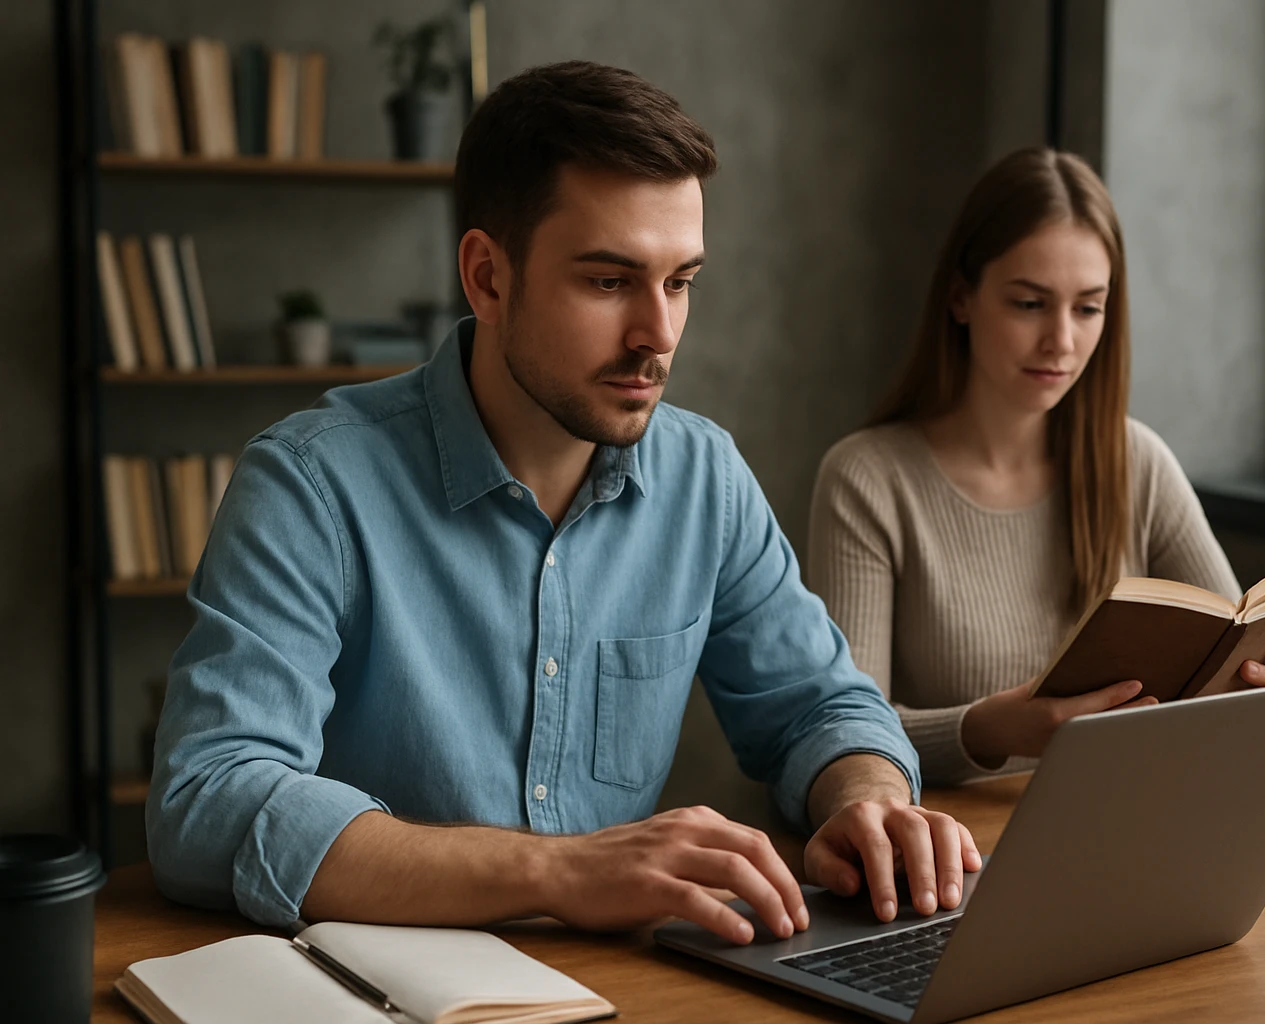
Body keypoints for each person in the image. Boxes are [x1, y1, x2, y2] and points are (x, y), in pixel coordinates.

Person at [148, 60, 981, 946]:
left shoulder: (705, 477)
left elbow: (819, 706)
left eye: (681, 282)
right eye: (609, 281)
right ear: (488, 278)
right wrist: (555, 871)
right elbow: (208, 799)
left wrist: (870, 799)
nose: (657, 335)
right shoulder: (310, 484)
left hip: (614, 990)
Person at [807, 148, 1265, 785]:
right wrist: (989, 729)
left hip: (1130, 822)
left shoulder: (1139, 464)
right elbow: (840, 730)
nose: (1062, 342)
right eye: (1029, 304)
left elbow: (1234, 646)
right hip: (958, 850)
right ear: (962, 298)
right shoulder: (868, 480)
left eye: (1088, 308)